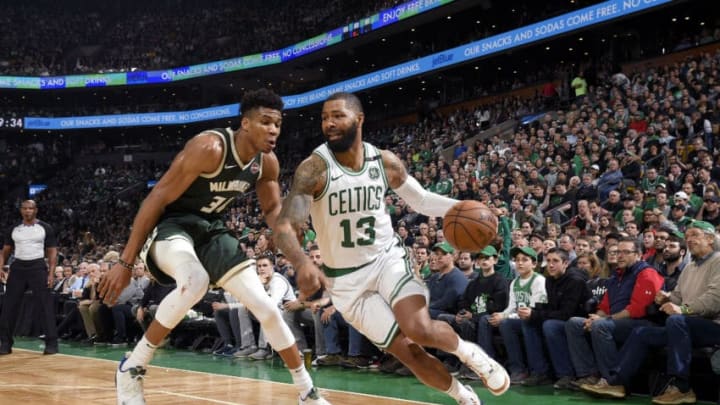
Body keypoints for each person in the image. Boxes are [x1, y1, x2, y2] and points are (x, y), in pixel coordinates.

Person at [274, 92, 509, 405]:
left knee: (419, 328)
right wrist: (302, 262)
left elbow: (422, 200)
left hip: (387, 260)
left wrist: (474, 212)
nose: (329, 123)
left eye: (337, 116)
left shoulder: (384, 161)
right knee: (408, 352)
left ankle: (471, 355)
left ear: (359, 119)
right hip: (344, 281)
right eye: (324, 118)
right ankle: (462, 396)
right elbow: (286, 225)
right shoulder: (314, 168)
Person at [98, 89, 330, 405]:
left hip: (211, 231)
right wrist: (125, 264)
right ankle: (133, 365)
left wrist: (301, 260)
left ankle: (308, 392)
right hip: (172, 226)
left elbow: (273, 212)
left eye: (278, 123)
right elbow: (157, 197)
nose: (274, 130)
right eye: (265, 122)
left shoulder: (267, 164)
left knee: (266, 307)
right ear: (245, 124)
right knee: (195, 282)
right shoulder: (210, 148)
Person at [580, 221, 720, 403]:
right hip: (687, 325)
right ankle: (617, 382)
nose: (689, 240)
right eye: (687, 236)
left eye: (694, 235)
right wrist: (667, 298)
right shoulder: (690, 267)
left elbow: (714, 300)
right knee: (642, 333)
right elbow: (678, 296)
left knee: (676, 320)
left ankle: (682, 387)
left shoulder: (718, 261)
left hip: (713, 326)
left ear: (709, 239)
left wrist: (682, 309)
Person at [0, 200, 59, 355]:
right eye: (25, 208)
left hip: (38, 266)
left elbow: (52, 252)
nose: (28, 211)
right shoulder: (13, 229)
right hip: (18, 267)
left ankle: (51, 343)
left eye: (30, 208)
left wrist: (51, 273)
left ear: (36, 210)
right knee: (9, 306)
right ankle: (5, 344)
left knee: (44, 305)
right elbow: (5, 251)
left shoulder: (45, 228)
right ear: (21, 210)